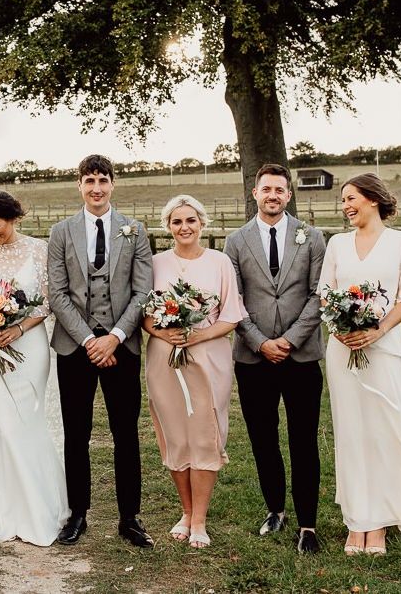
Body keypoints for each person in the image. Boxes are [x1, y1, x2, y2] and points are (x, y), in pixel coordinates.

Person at [48, 154, 154, 548]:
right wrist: (90, 340)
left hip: (121, 347)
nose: (96, 188)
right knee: (76, 433)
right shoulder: (61, 231)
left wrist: (115, 335)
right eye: (89, 180)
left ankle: (130, 517)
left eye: (102, 180)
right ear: (79, 184)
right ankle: (78, 514)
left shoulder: (134, 230)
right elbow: (56, 294)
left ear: (113, 184)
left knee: (125, 432)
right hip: (75, 347)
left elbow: (143, 290)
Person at [0, 190, 69, 545]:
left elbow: (48, 302)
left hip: (30, 346)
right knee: (2, 421)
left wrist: (16, 327)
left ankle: (37, 504)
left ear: (14, 218)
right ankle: (1, 504)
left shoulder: (38, 249)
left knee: (26, 419)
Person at [223, 163, 326, 554]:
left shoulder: (312, 237)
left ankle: (308, 525)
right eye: (266, 189)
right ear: (255, 193)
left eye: (280, 190)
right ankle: (275, 509)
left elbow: (319, 295)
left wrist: (289, 340)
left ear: (288, 195)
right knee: (263, 438)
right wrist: (261, 342)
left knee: (303, 441)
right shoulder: (235, 241)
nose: (273, 196)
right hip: (254, 358)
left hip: (301, 358)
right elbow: (233, 298)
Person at [318, 173, 401, 556]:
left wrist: (377, 331)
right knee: (352, 430)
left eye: (351, 197)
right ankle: (357, 520)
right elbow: (325, 295)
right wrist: (342, 329)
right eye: (343, 200)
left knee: (385, 430)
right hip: (343, 350)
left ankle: (381, 521)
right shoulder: (337, 244)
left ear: (374, 199)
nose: (345, 205)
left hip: (385, 348)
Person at [144, 195, 246, 548]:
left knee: (205, 434)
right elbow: (142, 313)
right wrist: (162, 331)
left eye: (190, 220)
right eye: (176, 222)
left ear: (202, 223)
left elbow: (231, 314)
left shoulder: (220, 262)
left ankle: (200, 518)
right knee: (175, 436)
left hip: (208, 358)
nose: (184, 227)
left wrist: (198, 334)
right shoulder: (155, 263)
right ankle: (185, 511)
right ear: (167, 227)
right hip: (164, 359)